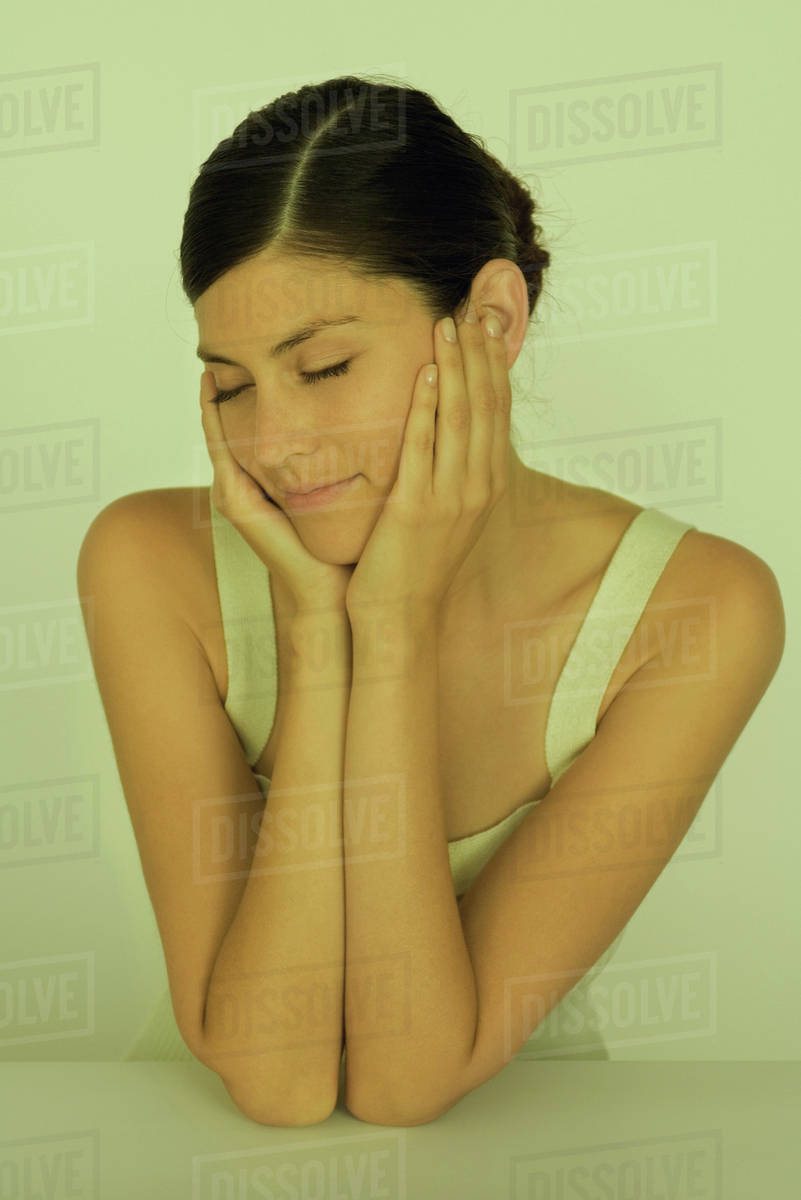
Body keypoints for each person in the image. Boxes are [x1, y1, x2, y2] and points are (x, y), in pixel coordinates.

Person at [77, 74, 785, 1127]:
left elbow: (408, 1083)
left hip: (531, 1149)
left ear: (491, 319)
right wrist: (322, 635)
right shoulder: (147, 565)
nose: (273, 446)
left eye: (323, 366)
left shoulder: (697, 612)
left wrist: (394, 631)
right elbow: (276, 1081)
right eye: (230, 387)